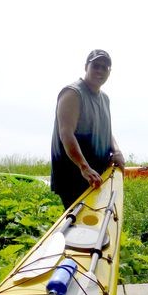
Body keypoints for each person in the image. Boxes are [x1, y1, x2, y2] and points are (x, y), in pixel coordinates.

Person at [50, 49, 125, 208]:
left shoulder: (105, 99)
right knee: (78, 228)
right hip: (75, 177)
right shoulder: (73, 93)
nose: (100, 70)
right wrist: (84, 167)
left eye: (104, 67)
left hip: (99, 175)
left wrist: (117, 151)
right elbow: (66, 134)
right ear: (86, 67)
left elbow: (106, 129)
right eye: (95, 66)